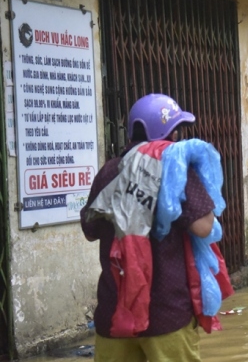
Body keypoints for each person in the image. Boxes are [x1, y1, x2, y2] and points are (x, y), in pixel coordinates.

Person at [81, 94, 216, 361]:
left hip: (114, 315)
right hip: (166, 314)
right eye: (175, 131)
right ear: (168, 134)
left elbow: (90, 230)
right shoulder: (175, 168)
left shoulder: (109, 171)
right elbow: (204, 226)